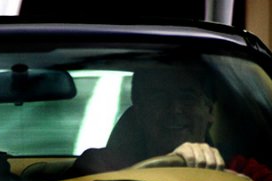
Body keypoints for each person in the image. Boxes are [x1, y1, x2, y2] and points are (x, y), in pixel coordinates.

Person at [68, 63, 225, 175]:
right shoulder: (100, 166)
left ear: (209, 111)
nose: (175, 109)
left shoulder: (233, 171)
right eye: (159, 98)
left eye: (187, 98)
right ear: (139, 110)